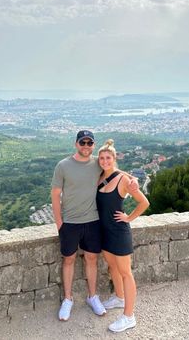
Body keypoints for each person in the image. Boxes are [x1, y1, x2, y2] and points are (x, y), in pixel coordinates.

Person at [51, 130, 138, 321]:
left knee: (92, 259)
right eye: (83, 142)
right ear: (76, 144)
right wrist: (59, 223)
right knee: (68, 260)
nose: (86, 146)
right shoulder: (63, 165)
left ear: (93, 146)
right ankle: (68, 299)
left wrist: (133, 179)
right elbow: (55, 195)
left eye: (90, 143)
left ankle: (92, 297)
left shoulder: (97, 163)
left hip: (93, 222)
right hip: (70, 222)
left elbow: (115, 170)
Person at [96, 139, 150, 333]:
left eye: (108, 158)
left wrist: (129, 218)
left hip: (119, 232)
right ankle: (119, 297)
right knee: (112, 266)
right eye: (101, 158)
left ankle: (129, 317)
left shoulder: (123, 180)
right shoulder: (99, 176)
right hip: (104, 231)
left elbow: (144, 203)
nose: (104, 161)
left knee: (126, 273)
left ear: (114, 158)